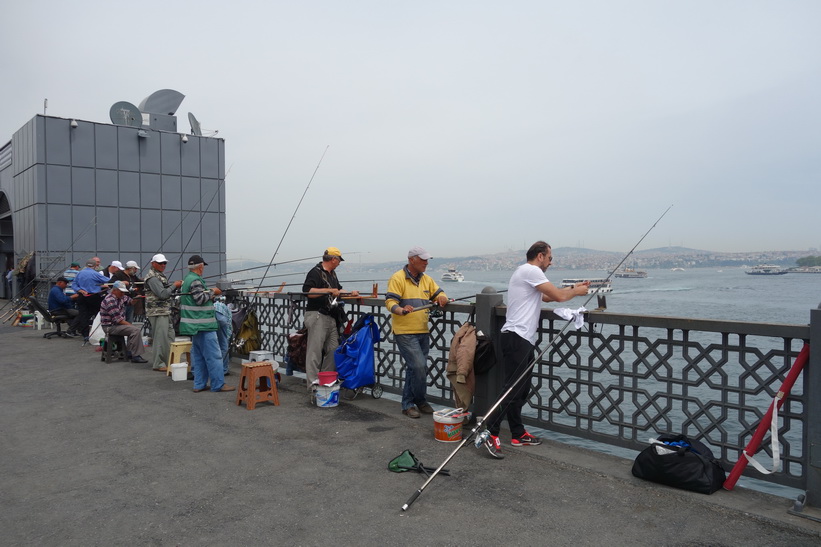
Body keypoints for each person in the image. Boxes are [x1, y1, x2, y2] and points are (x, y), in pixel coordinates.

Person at [483, 241, 589, 459]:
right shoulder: (530, 270)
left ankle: (517, 433)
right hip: (517, 338)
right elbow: (559, 298)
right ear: (540, 256)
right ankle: (489, 432)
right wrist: (577, 292)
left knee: (520, 391)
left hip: (520, 338)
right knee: (512, 390)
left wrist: (573, 288)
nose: (551, 262)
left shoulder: (525, 274)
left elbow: (549, 296)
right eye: (550, 258)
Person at [385, 246, 449, 419]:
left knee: (416, 368)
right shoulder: (398, 278)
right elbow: (390, 301)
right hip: (405, 331)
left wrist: (441, 297)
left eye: (427, 259)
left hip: (423, 330)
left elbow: (438, 293)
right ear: (412, 259)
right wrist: (400, 310)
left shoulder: (426, 279)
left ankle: (415, 403)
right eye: (423, 259)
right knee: (419, 366)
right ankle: (412, 402)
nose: (426, 263)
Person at [302, 247, 359, 393]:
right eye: (339, 260)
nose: (339, 263)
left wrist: (351, 293)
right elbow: (308, 291)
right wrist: (328, 291)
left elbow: (338, 290)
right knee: (314, 352)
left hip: (331, 316)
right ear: (333, 259)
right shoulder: (315, 272)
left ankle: (324, 381)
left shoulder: (332, 274)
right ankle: (313, 386)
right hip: (317, 315)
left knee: (334, 350)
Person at [179, 255, 234, 392]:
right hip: (203, 324)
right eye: (203, 266)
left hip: (193, 324)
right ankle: (218, 384)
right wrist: (213, 291)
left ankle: (199, 384)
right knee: (214, 355)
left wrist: (209, 294)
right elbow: (199, 299)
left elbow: (194, 298)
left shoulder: (187, 279)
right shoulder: (196, 280)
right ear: (200, 266)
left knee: (199, 356)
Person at [143, 253, 182, 373]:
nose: (163, 265)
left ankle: (169, 361)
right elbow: (163, 294)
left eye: (164, 263)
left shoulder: (159, 276)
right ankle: (158, 363)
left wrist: (172, 286)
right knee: (160, 338)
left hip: (164, 311)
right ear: (153, 264)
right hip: (157, 312)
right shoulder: (153, 277)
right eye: (160, 263)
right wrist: (174, 286)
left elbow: (163, 290)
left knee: (169, 337)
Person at [99, 280, 148, 363]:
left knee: (132, 329)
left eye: (124, 292)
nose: (123, 294)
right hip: (110, 326)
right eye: (121, 292)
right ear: (114, 290)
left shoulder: (121, 297)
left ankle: (130, 352)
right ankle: (135, 355)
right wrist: (130, 325)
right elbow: (117, 319)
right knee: (135, 330)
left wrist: (136, 299)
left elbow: (130, 302)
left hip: (116, 325)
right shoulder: (110, 300)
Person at [68, 259, 114, 341]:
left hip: (82, 296)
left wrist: (80, 290)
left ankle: (85, 335)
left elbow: (74, 285)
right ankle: (99, 332)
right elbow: (110, 281)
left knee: (83, 316)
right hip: (94, 296)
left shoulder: (79, 273)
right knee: (99, 314)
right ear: (95, 266)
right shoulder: (95, 274)